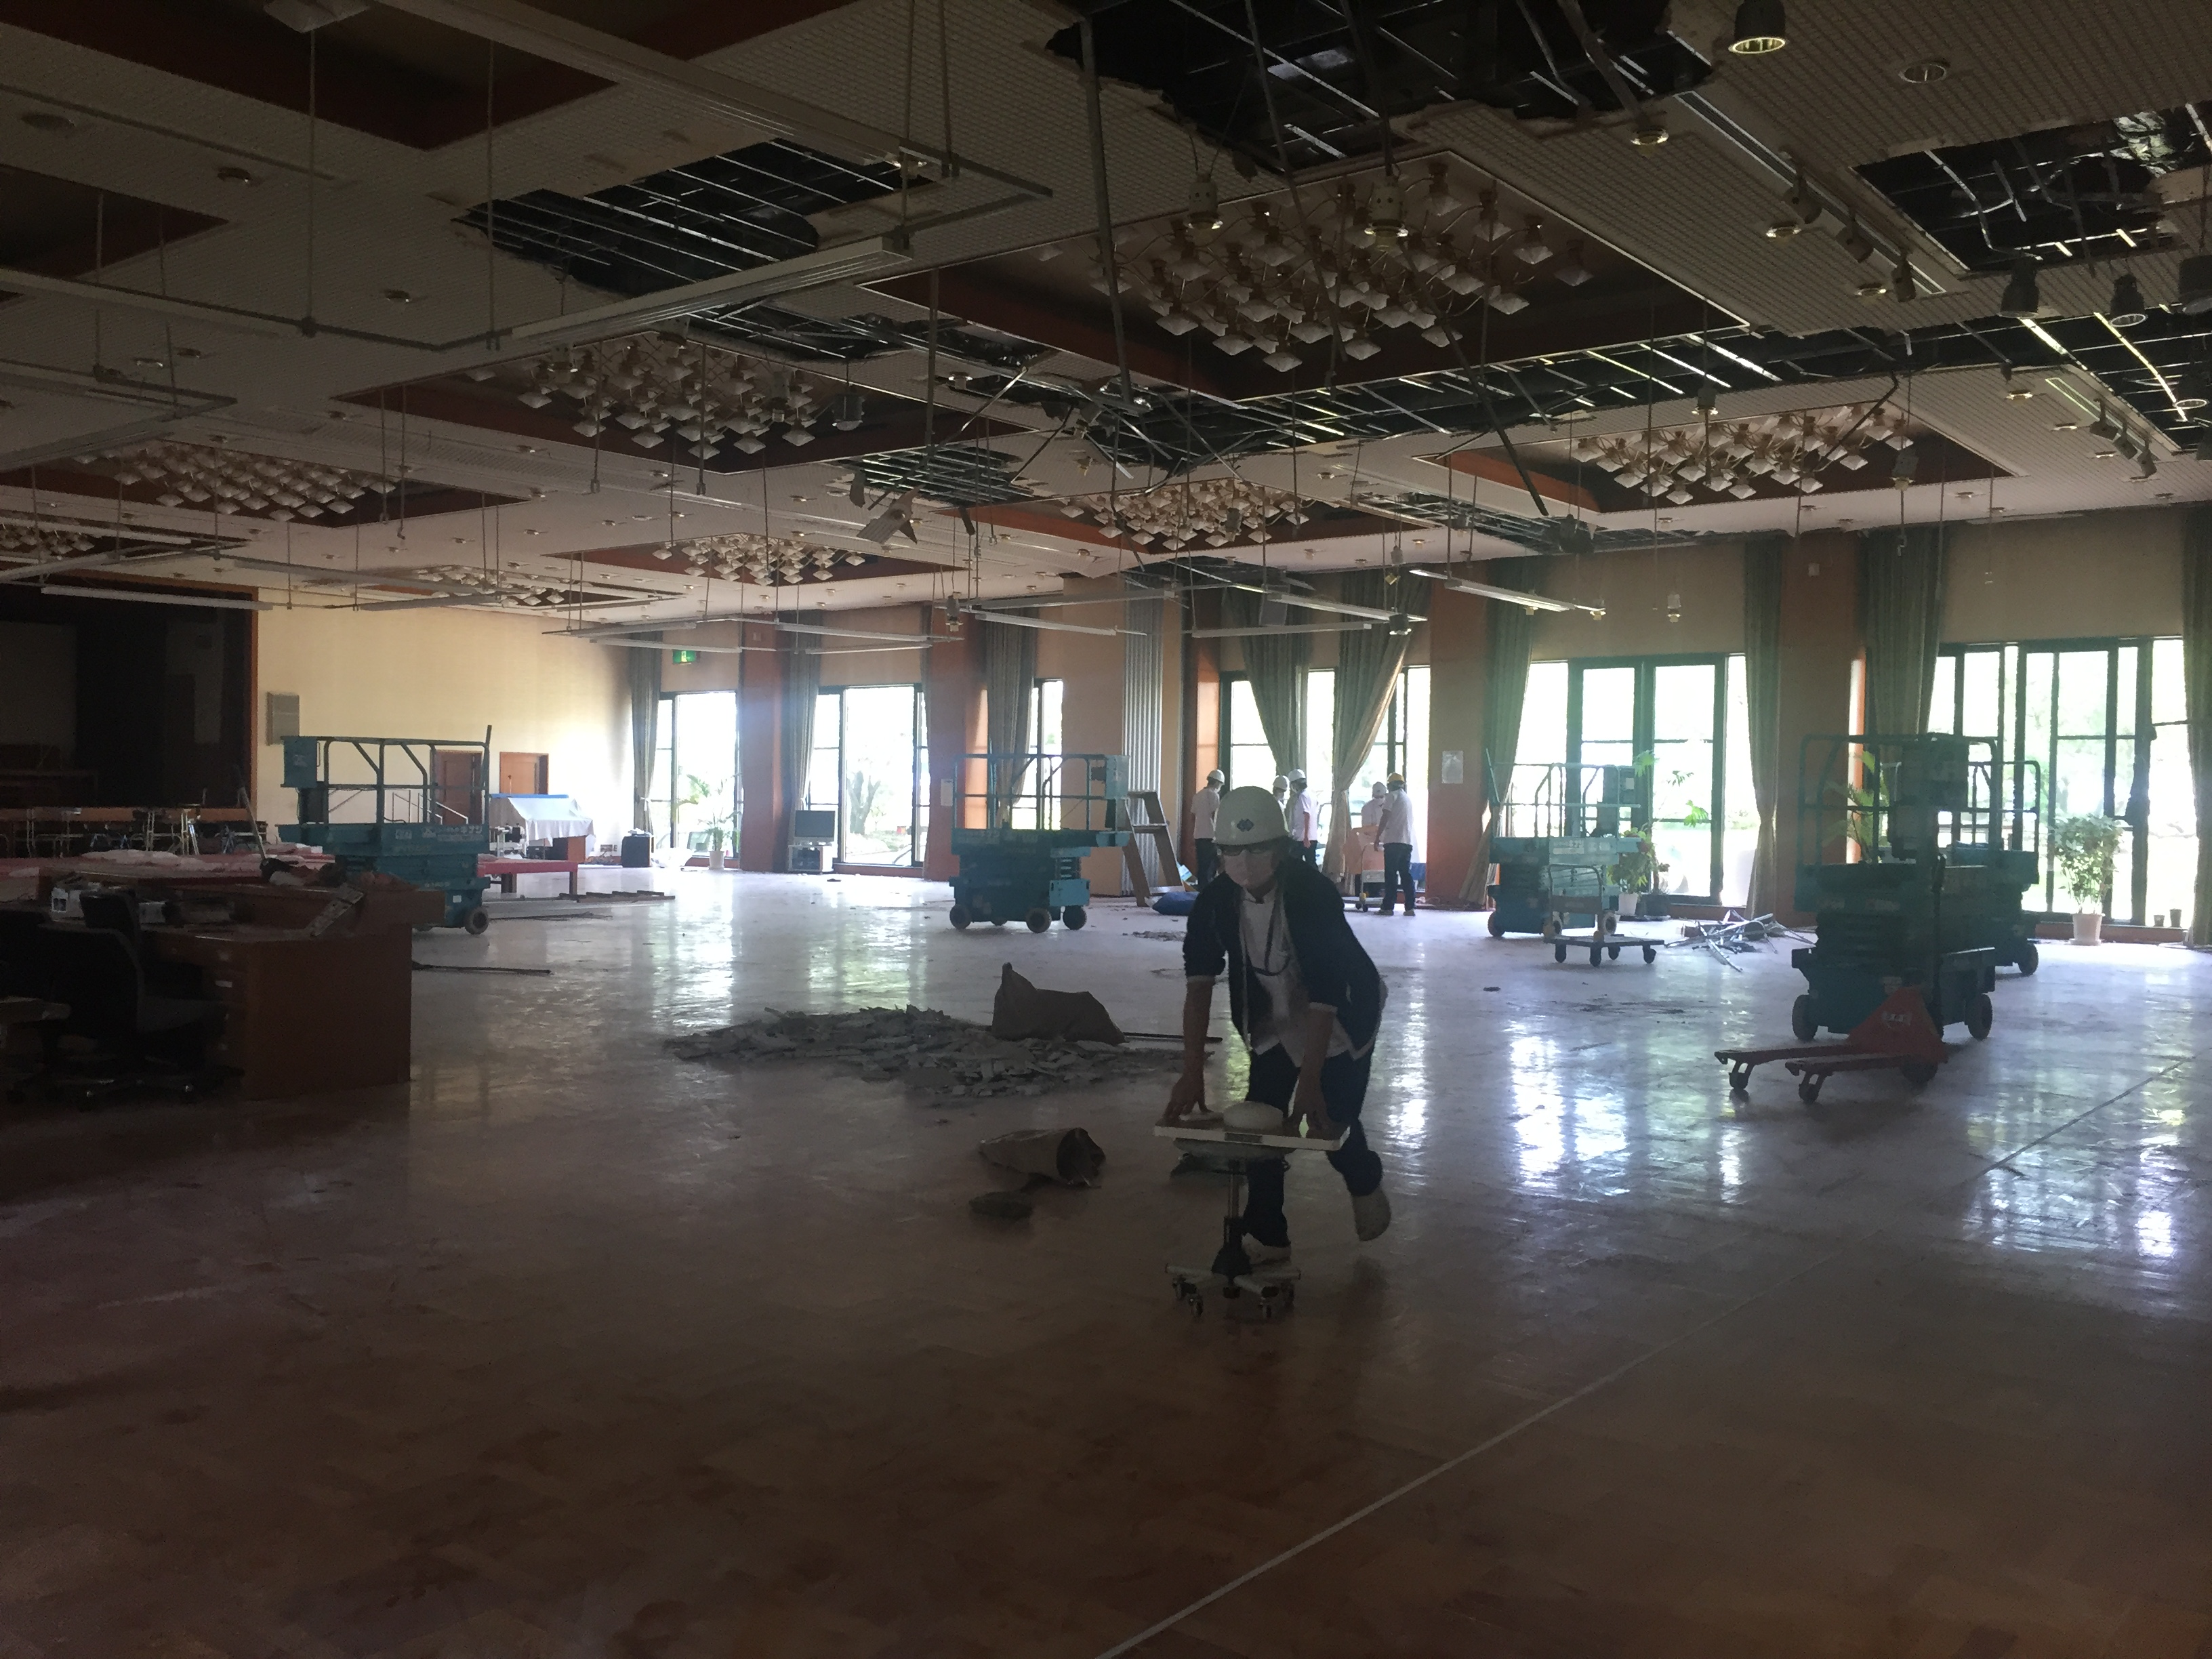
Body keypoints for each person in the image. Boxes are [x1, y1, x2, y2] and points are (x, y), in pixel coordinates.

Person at [1162, 786, 1391, 1261]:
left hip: (1341, 1018)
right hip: (1273, 1020)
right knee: (1258, 1125)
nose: (1244, 862)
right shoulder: (1216, 903)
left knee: (1331, 1122)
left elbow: (1327, 992)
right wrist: (1191, 1070)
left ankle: (1364, 1180)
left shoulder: (1312, 895)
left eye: (1257, 849)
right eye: (1232, 851)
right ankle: (1267, 1232)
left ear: (1282, 849)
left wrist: (1310, 1080)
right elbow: (1199, 984)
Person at [1378, 773, 1417, 916]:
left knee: (1391, 875)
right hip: (1407, 842)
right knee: (1405, 874)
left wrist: (1378, 837)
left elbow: (1385, 816)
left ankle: (1388, 907)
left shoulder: (1391, 796)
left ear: (1390, 785)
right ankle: (1410, 907)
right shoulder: (1407, 798)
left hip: (1393, 841)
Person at [1190, 768, 1224, 889]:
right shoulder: (1214, 795)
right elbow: (1216, 815)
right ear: (1218, 783)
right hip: (1210, 836)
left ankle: (1201, 890)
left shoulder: (1197, 795)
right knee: (1211, 867)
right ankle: (1209, 892)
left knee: (1202, 866)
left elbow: (1193, 816)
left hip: (1199, 835)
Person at [1286, 769, 1319, 863]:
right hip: (1310, 837)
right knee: (1311, 863)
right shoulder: (1311, 795)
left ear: (1295, 784)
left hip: (1302, 838)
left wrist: (1306, 837)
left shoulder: (1303, 796)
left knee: (1297, 863)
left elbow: (1307, 815)